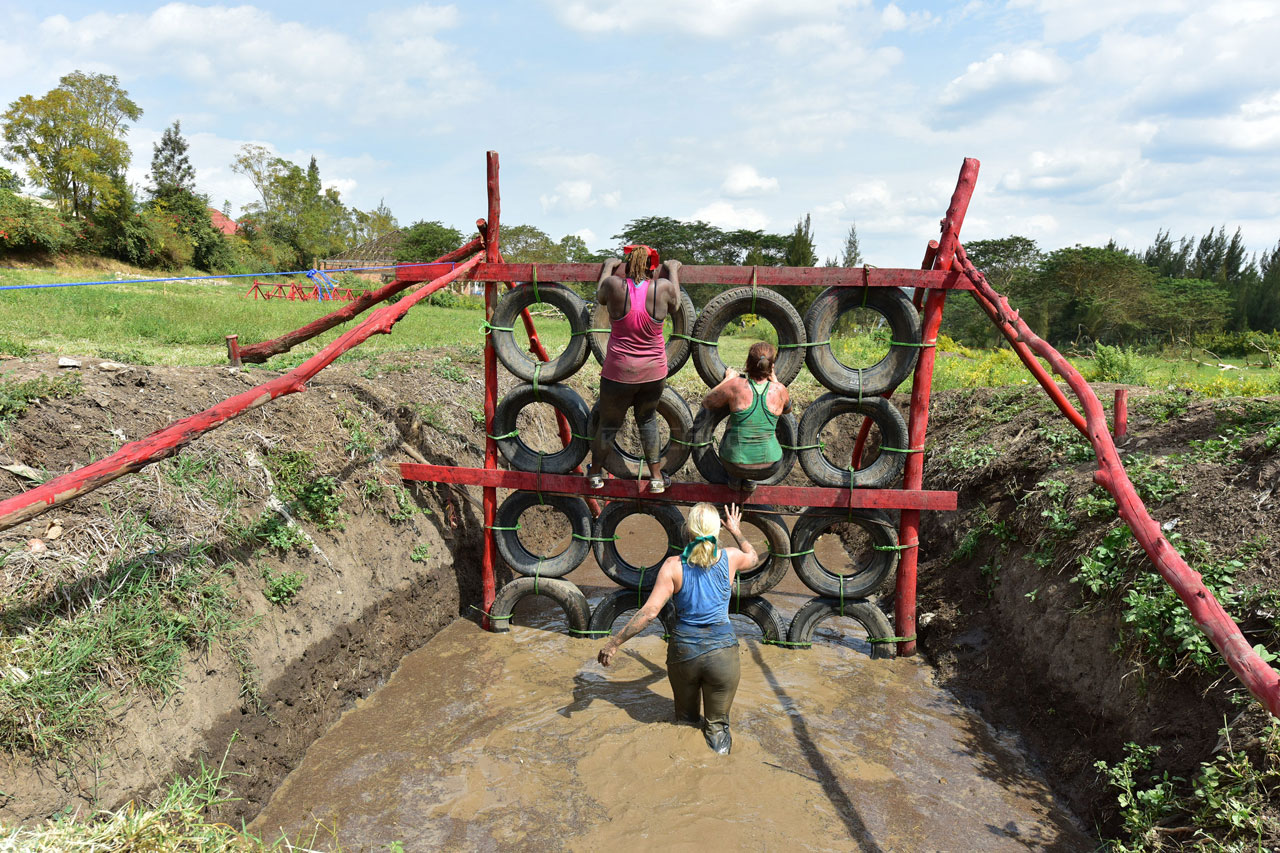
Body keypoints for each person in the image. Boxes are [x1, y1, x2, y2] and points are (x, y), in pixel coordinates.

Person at [596, 503, 756, 754]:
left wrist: (614, 643)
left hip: (684, 656)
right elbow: (754, 556)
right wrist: (736, 530)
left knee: (685, 722)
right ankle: (717, 778)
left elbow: (649, 613)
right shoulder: (731, 558)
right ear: (717, 531)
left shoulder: (673, 566)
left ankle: (682, 764)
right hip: (723, 656)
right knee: (718, 728)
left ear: (687, 532)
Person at [585, 245, 681, 493]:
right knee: (647, 420)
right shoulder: (664, 288)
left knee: (608, 423)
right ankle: (657, 478)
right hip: (654, 373)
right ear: (653, 267)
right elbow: (677, 305)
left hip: (619, 372)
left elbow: (599, 296)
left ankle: (595, 474)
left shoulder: (614, 286)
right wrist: (672, 270)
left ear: (627, 265)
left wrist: (607, 265)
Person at [700, 341, 791, 492]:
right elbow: (788, 410)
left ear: (748, 363)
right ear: (772, 366)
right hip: (770, 466)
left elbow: (707, 402)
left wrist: (728, 379)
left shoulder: (736, 385)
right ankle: (750, 481)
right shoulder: (779, 390)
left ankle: (735, 479)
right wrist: (775, 381)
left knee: (733, 422)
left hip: (734, 465)